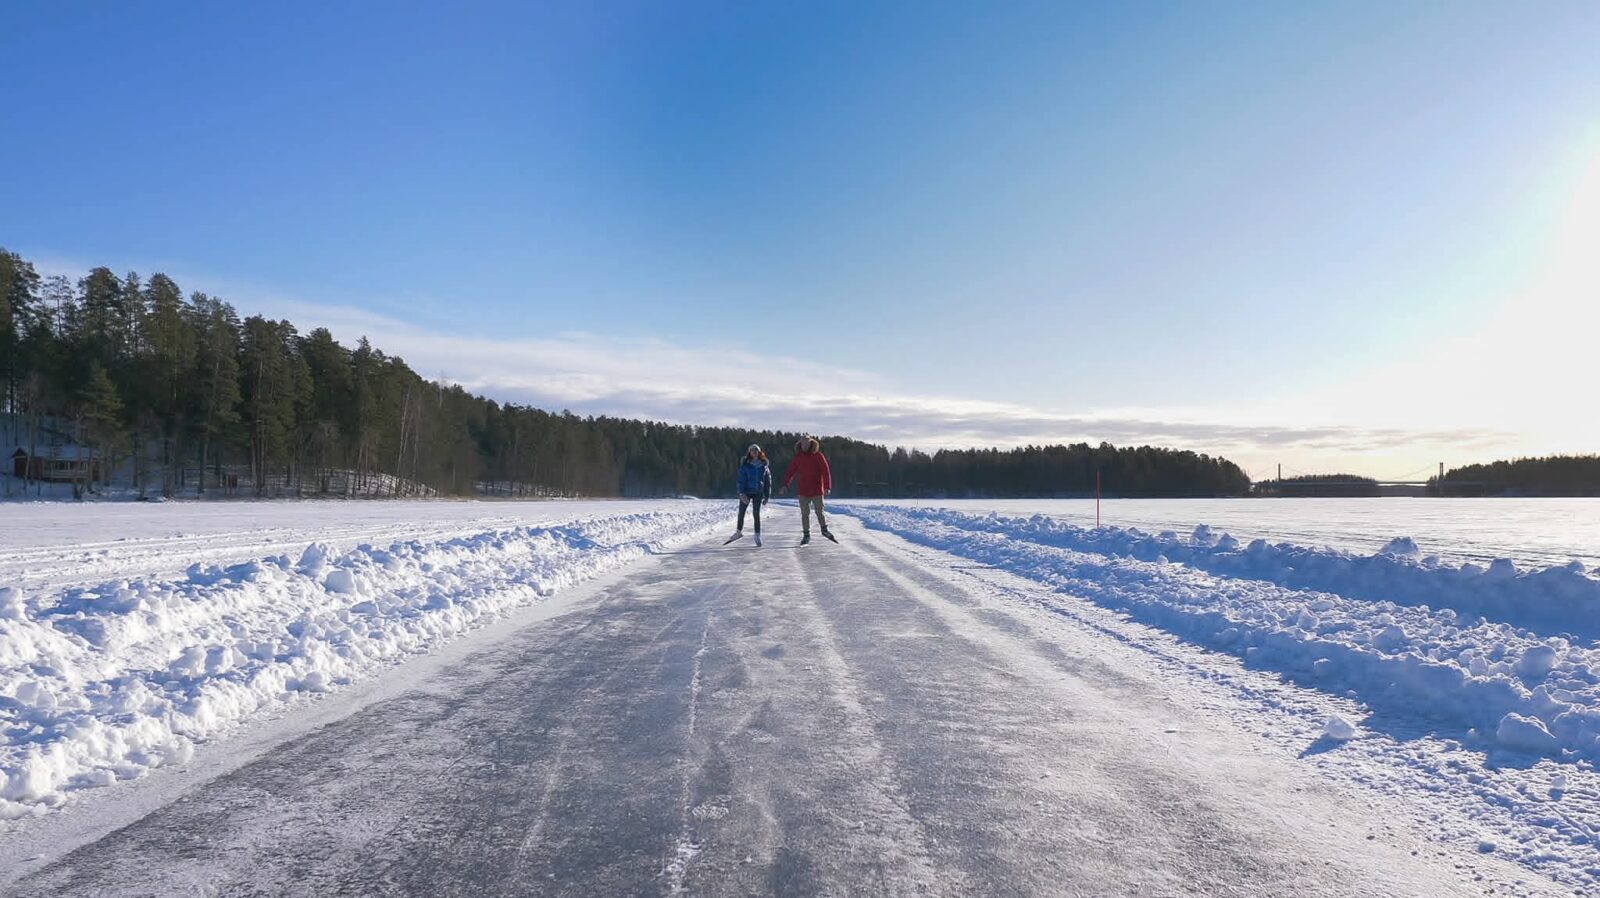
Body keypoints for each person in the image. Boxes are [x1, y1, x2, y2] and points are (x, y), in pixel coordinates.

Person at [781, 435, 835, 544]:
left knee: (819, 511)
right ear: (800, 444)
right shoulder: (798, 457)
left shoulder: (818, 456)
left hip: (816, 489)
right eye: (803, 443)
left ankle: (824, 530)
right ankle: (806, 535)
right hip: (803, 490)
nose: (805, 445)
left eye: (807, 443)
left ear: (811, 443)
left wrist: (827, 487)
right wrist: (785, 485)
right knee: (805, 513)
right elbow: (790, 472)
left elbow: (825, 471)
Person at [728, 444, 772, 546]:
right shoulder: (745, 465)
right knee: (741, 512)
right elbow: (741, 480)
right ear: (749, 453)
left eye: (756, 450)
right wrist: (741, 493)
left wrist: (767, 496)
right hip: (746, 492)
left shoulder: (764, 466)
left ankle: (757, 535)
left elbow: (768, 482)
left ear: (759, 452)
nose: (754, 452)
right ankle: (738, 532)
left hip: (758, 493)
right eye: (752, 451)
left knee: (756, 514)